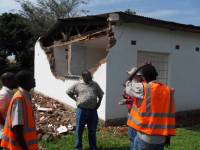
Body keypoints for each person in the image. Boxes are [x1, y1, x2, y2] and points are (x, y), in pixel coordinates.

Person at [126, 64, 176, 150]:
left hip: (145, 137)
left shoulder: (143, 88)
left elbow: (127, 85)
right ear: (156, 75)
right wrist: (168, 137)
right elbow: (169, 115)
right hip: (161, 138)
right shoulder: (168, 90)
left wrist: (140, 67)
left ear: (143, 77)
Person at [1, 70, 38, 150]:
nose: (34, 80)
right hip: (17, 147)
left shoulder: (25, 96)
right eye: (31, 78)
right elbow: (17, 127)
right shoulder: (19, 98)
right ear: (25, 82)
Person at [67, 70, 104, 150]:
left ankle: (93, 147)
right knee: (79, 130)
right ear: (83, 77)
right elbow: (68, 92)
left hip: (93, 111)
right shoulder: (77, 84)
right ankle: (78, 148)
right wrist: (76, 99)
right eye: (89, 77)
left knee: (92, 131)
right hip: (81, 111)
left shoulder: (94, 84)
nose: (90, 78)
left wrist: (99, 103)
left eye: (91, 76)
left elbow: (101, 94)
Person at [119, 67, 144, 150]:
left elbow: (138, 102)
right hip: (131, 112)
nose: (131, 77)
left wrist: (127, 101)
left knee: (134, 137)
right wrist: (125, 97)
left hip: (137, 114)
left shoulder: (140, 86)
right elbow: (131, 97)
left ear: (138, 76)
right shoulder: (134, 85)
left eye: (132, 75)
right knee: (132, 136)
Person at [0, 72, 17, 149]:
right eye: (14, 79)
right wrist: (7, 126)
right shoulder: (3, 94)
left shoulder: (8, 93)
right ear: (7, 81)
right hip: (5, 131)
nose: (16, 81)